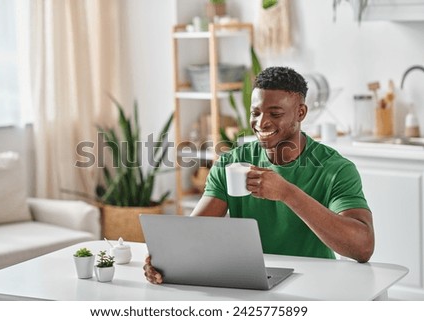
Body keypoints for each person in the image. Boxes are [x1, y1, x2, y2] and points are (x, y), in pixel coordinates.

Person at [144, 66, 374, 284]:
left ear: (301, 112)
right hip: (251, 282)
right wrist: (166, 259)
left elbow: (363, 247)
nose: (262, 122)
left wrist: (287, 193)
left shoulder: (336, 169)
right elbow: (195, 232)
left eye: (275, 113)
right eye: (255, 113)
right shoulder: (231, 163)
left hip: (315, 283)